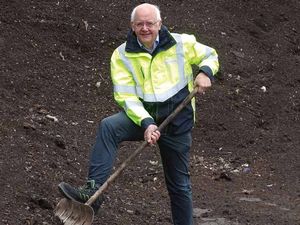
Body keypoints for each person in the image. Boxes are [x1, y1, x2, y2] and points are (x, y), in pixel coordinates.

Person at [58, 3, 219, 225]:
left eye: (150, 23)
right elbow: (126, 96)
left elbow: (210, 55)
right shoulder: (122, 55)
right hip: (143, 117)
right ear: (132, 26)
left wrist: (205, 72)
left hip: (176, 122)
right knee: (109, 126)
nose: (145, 28)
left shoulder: (182, 43)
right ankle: (92, 193)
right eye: (140, 24)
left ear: (159, 24)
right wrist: (147, 123)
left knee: (179, 185)